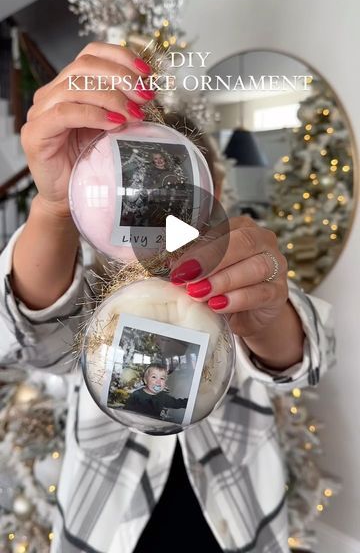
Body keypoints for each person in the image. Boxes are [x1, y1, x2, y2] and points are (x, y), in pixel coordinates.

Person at [0, 42, 334, 553]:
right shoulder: (93, 291)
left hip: (239, 525)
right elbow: (30, 339)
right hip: (104, 529)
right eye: (150, 199)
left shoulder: (231, 268)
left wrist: (266, 317)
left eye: (188, 199)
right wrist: (53, 205)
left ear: (214, 191)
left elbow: (306, 357)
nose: (168, 222)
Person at [123, 363, 188, 420]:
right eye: (154, 377)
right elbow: (126, 412)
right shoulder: (136, 395)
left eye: (162, 378)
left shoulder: (163, 396)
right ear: (145, 380)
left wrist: (190, 401)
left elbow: (176, 403)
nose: (158, 382)